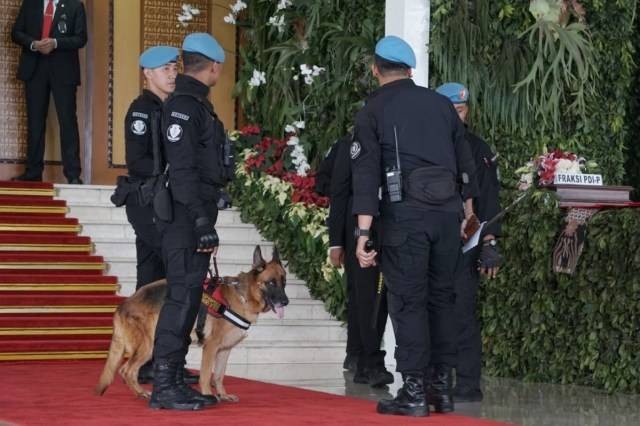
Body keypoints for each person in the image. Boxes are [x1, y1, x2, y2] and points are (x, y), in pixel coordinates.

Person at [351, 36, 478, 417]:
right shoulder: (441, 105)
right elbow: (465, 163)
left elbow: (365, 175)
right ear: (411, 70)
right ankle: (441, 388)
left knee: (408, 303)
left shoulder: (372, 109)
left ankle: (414, 391)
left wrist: (362, 234)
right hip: (447, 217)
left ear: (375, 69)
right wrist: (466, 214)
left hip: (405, 218)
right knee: (442, 299)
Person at [150, 32, 229, 411]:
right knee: (181, 299)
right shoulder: (183, 106)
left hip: (195, 212)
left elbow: (202, 166)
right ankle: (164, 385)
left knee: (186, 298)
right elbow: (181, 172)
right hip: (185, 217)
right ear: (213, 67)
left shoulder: (196, 105)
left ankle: (174, 379)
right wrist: (200, 220)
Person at [436, 83, 502, 403]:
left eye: (460, 111)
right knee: (433, 313)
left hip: (465, 244)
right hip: (433, 242)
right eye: (450, 111)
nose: (456, 117)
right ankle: (437, 380)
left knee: (462, 312)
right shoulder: (429, 145)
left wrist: (488, 241)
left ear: (468, 112)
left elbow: (489, 198)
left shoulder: (478, 148)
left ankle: (467, 384)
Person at [327, 134, 393, 387]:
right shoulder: (351, 144)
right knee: (366, 298)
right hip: (359, 232)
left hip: (391, 228)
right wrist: (337, 242)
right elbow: (339, 192)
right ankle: (368, 361)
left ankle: (361, 356)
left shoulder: (397, 140)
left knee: (370, 300)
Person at [11, 0, 87, 184]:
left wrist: (55, 43)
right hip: (34, 68)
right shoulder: (30, 4)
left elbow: (81, 38)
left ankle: (73, 174)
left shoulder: (75, 6)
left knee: (67, 121)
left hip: (63, 71)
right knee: (35, 121)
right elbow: (16, 33)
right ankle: (33, 172)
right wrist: (33, 44)